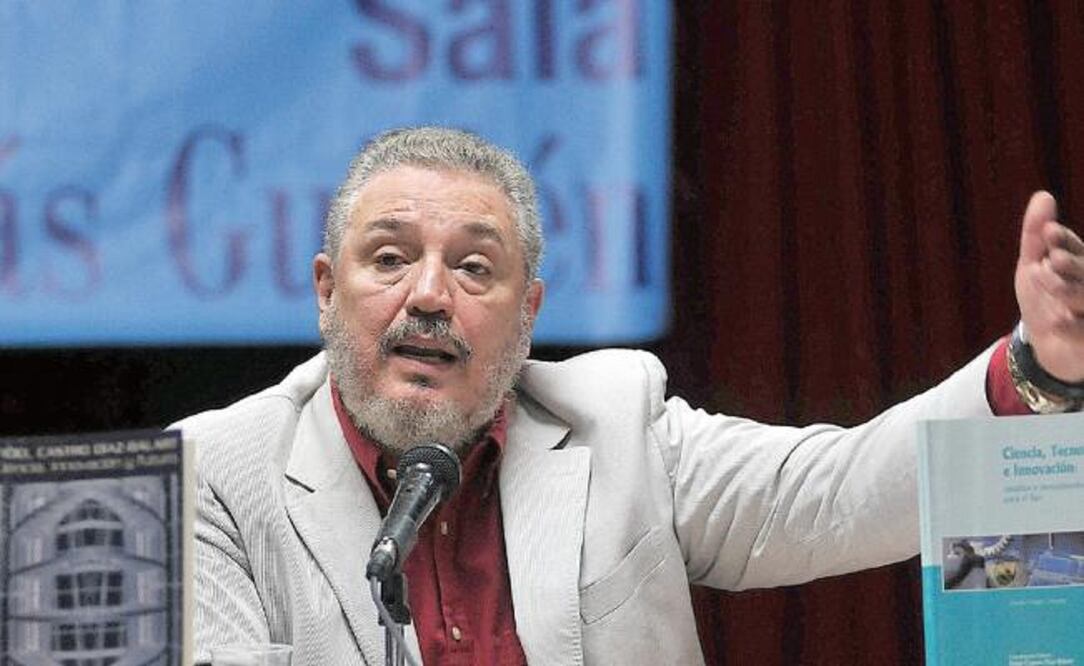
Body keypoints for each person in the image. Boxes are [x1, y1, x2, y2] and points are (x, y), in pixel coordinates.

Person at [178, 127, 1084, 665]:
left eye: (474, 268)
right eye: (388, 259)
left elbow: (839, 492)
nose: (427, 295)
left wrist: (1036, 369)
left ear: (527, 313)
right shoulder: (216, 475)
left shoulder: (616, 423)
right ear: (326, 291)